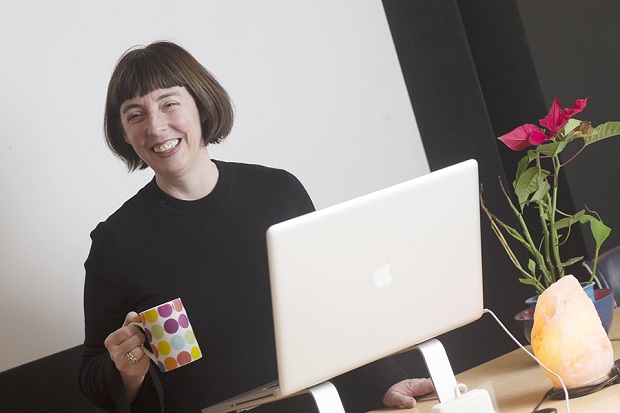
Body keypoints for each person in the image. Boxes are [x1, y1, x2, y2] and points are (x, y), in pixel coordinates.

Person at [78, 40, 435, 413]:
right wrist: (127, 368)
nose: (155, 126)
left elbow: (331, 305)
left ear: (200, 104)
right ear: (123, 132)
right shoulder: (116, 241)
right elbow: (93, 378)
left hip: (324, 405)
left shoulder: (278, 191)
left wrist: (385, 379)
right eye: (134, 115)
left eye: (169, 103)